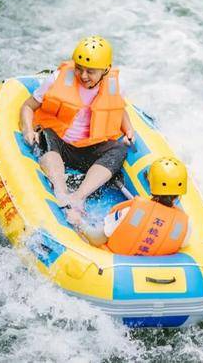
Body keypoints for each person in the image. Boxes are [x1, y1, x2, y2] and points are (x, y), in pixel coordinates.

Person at [20, 36, 135, 223]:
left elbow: (118, 109)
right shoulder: (57, 79)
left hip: (91, 148)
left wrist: (129, 129)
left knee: (119, 149)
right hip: (60, 143)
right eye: (79, 69)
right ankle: (61, 191)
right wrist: (27, 130)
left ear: (105, 70)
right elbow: (28, 106)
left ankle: (78, 197)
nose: (83, 76)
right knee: (46, 134)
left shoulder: (115, 86)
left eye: (90, 72)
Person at [82, 156, 192, 256]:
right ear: (180, 193)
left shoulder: (129, 212)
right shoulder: (185, 227)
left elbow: (96, 239)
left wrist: (79, 223)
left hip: (113, 268)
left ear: (150, 184)